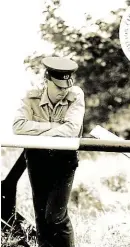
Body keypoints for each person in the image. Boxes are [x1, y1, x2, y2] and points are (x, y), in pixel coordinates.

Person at [13, 56, 85, 247]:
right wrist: (54, 127)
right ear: (47, 81)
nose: (64, 91)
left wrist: (37, 130)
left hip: (64, 160)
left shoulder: (76, 95)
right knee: (42, 218)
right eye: (59, 87)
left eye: (66, 87)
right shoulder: (31, 96)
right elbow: (18, 126)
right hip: (37, 159)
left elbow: (71, 130)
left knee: (56, 216)